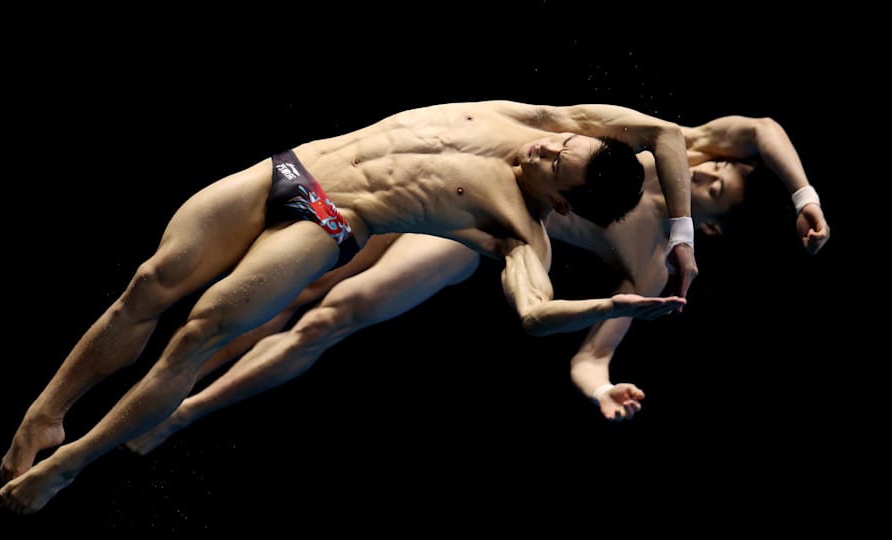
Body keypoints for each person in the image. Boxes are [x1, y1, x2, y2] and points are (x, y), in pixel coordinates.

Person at [0, 100, 698, 514]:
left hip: (327, 221)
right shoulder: (542, 119)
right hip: (288, 167)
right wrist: (683, 235)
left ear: (563, 201)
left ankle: (71, 465)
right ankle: (49, 413)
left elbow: (532, 314)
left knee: (197, 337)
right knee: (148, 285)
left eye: (555, 166)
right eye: (561, 145)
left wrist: (613, 305)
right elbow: (666, 134)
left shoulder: (518, 229)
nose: (545, 149)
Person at [117, 113, 828, 456]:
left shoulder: (652, 265)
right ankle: (160, 386)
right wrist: (802, 196)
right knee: (293, 289)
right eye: (714, 167)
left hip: (490, 235)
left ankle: (180, 413)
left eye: (713, 191)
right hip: (467, 182)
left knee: (329, 315)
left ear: (717, 229)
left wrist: (601, 389)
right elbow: (762, 127)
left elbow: (590, 355)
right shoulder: (680, 151)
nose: (703, 172)